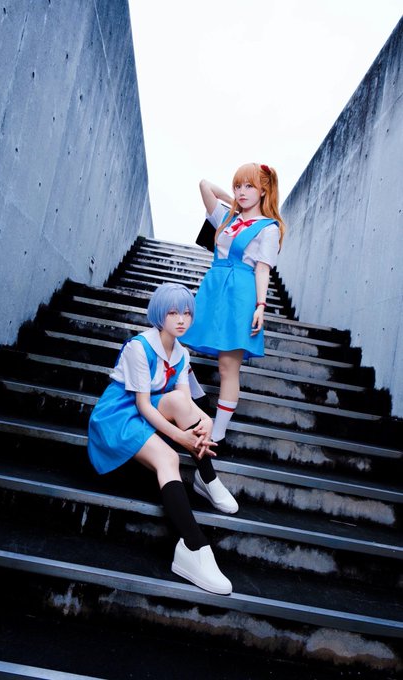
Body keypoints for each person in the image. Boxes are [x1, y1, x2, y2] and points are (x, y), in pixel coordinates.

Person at [88, 282, 238, 595]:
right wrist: (181, 438)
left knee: (184, 403)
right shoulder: (139, 347)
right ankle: (193, 546)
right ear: (159, 314)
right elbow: (142, 405)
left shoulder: (181, 353)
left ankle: (206, 477)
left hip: (147, 410)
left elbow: (183, 400)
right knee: (169, 457)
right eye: (173, 313)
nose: (181, 319)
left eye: (187, 313)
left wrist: (205, 420)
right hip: (118, 416)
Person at [183, 162, 286, 463]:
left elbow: (263, 270)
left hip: (241, 292)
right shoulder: (227, 218)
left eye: (249, 186)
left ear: (264, 190)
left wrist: (260, 306)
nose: (242, 191)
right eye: (238, 186)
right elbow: (204, 185)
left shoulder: (269, 228)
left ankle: (218, 434)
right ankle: (197, 394)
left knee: (228, 367)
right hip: (213, 288)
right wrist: (235, 203)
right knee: (178, 342)